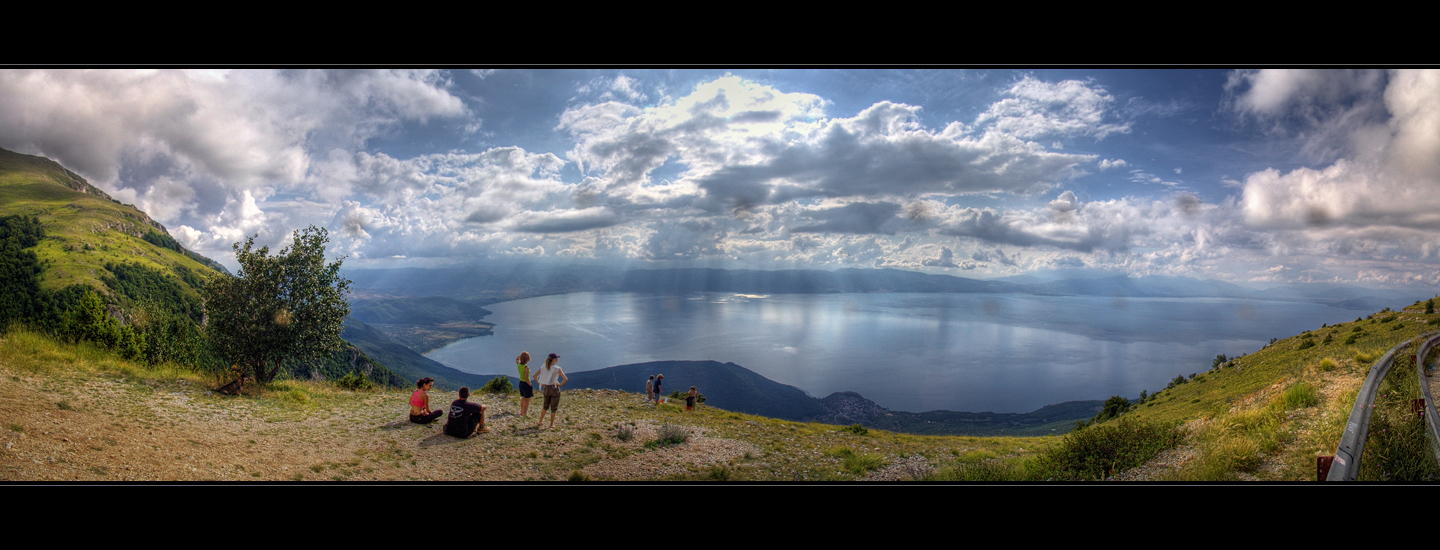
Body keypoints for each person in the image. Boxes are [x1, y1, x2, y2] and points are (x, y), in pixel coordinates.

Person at [532, 353, 568, 429]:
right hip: (554, 388)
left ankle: (540, 421)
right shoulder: (557, 368)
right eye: (556, 358)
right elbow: (565, 379)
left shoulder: (543, 367)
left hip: (546, 388)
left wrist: (540, 382)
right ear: (554, 359)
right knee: (553, 407)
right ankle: (551, 424)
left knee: (545, 406)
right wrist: (559, 384)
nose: (557, 359)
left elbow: (534, 376)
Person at [516, 352, 534, 417]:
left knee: (523, 398)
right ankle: (525, 413)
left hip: (521, 382)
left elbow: (517, 360)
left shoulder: (519, 365)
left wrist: (519, 357)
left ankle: (521, 411)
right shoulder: (526, 367)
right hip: (526, 384)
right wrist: (530, 384)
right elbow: (526, 378)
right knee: (527, 400)